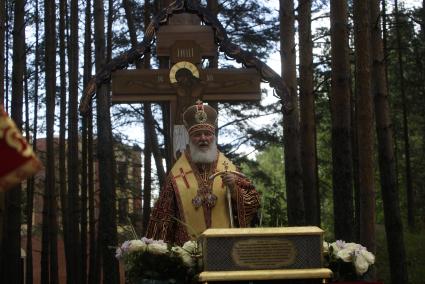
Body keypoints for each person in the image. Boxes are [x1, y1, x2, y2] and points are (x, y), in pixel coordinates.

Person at [146, 101, 260, 245]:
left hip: (225, 247)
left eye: (207, 134)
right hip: (186, 252)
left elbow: (253, 204)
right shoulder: (176, 175)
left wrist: (234, 189)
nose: (203, 138)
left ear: (214, 137)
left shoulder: (228, 168)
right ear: (190, 138)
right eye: (197, 134)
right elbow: (163, 217)